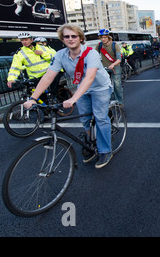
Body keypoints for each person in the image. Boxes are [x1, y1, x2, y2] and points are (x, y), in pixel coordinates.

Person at [23, 24, 114, 169]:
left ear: (80, 38)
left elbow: (89, 77)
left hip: (100, 88)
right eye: (66, 36)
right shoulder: (60, 55)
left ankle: (105, 150)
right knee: (84, 118)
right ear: (62, 39)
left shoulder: (91, 53)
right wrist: (33, 98)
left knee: (100, 117)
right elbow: (48, 77)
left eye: (74, 36)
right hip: (82, 89)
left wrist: (73, 99)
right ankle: (91, 143)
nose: (70, 39)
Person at [97, 29, 123, 107]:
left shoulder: (115, 45)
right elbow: (94, 55)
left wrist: (113, 65)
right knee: (103, 85)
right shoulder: (99, 45)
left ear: (108, 37)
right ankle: (105, 101)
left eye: (104, 37)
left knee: (116, 84)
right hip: (105, 68)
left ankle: (120, 101)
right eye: (101, 37)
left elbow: (119, 59)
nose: (103, 39)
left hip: (115, 68)